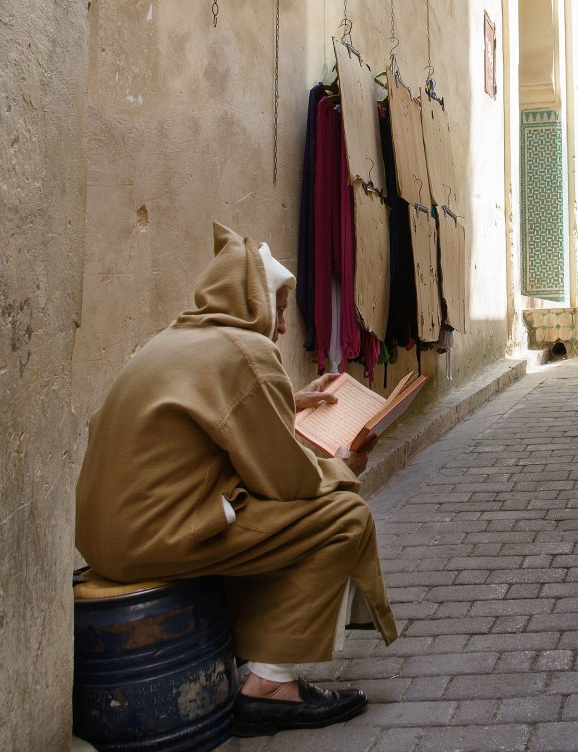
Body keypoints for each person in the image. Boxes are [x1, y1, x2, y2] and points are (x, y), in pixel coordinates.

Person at [75, 223, 398, 737]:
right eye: (283, 307)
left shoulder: (174, 341)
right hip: (155, 538)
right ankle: (270, 685)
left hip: (105, 539)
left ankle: (254, 650)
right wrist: (343, 464)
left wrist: (285, 404)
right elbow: (289, 485)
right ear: (256, 301)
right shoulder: (248, 353)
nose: (285, 328)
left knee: (275, 514)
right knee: (342, 515)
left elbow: (202, 427)